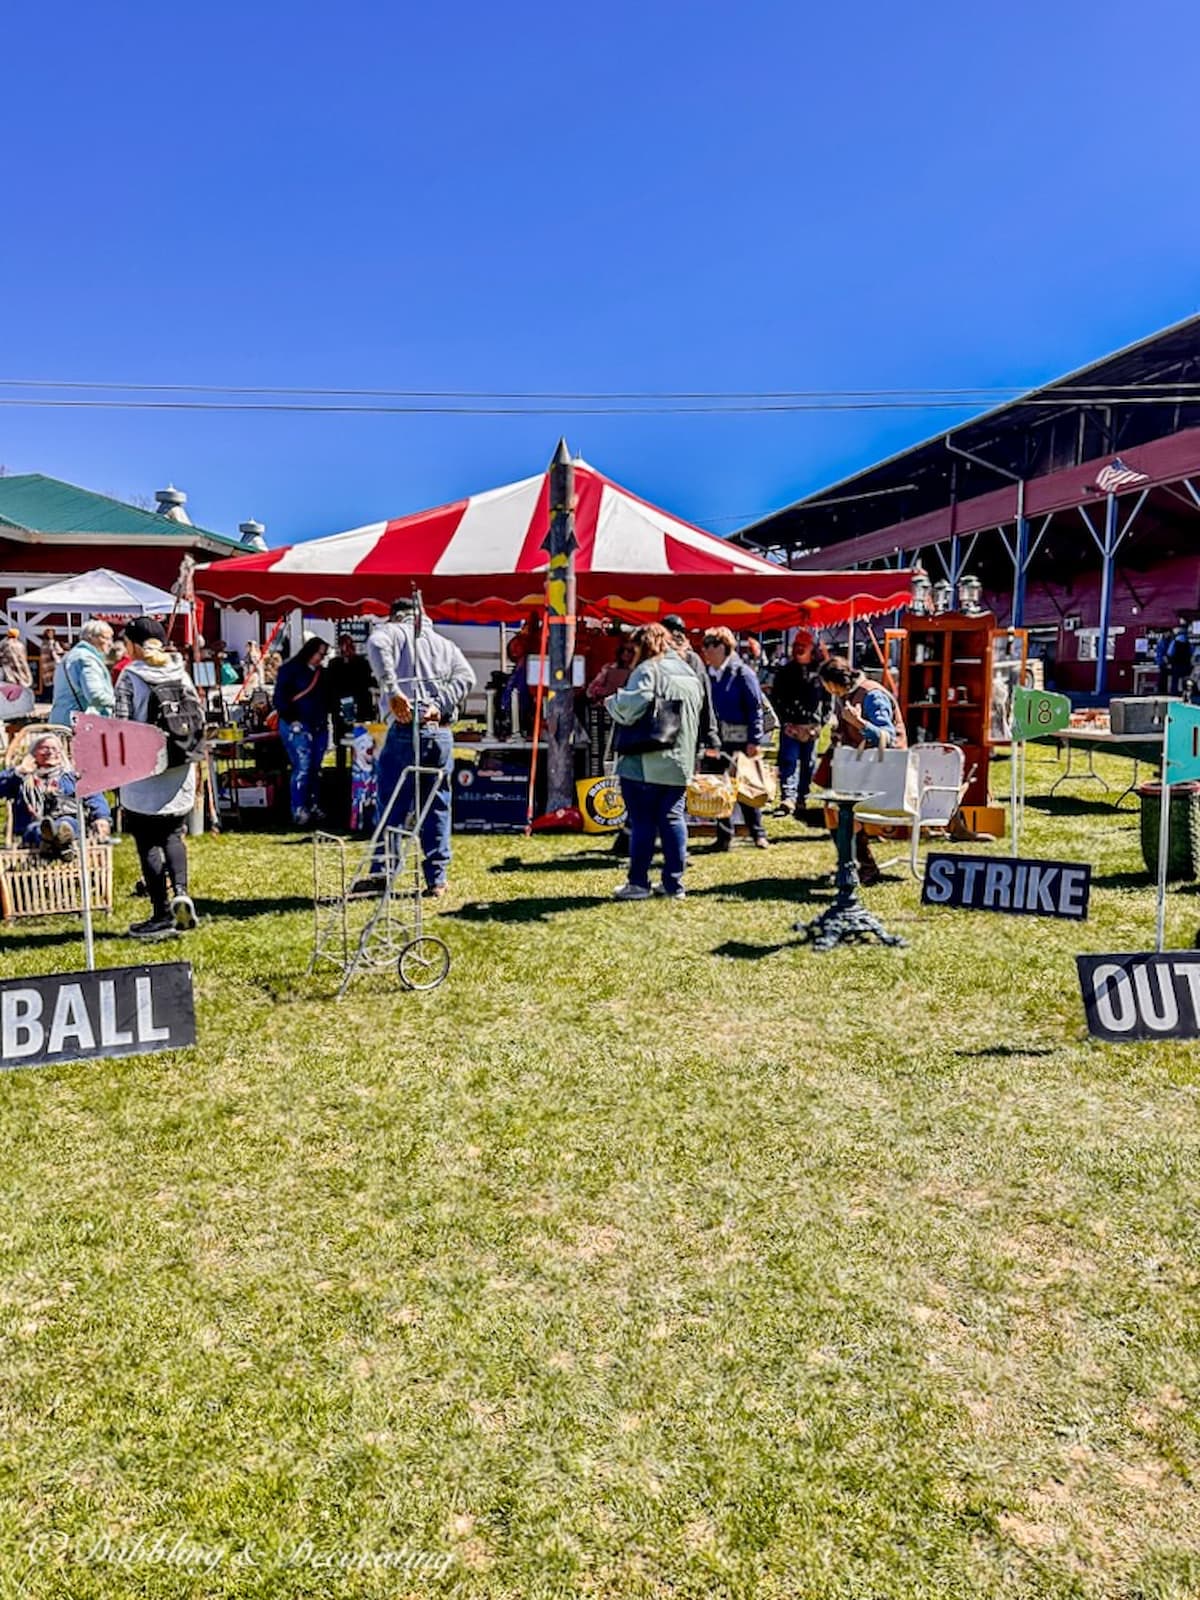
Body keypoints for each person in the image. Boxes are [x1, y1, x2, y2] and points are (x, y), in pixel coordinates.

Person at [366, 597, 475, 899]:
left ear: (394, 616)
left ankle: (383, 872)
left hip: (406, 728)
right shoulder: (444, 644)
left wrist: (392, 690)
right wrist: (439, 704)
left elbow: (375, 643)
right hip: (439, 732)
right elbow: (467, 676)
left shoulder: (392, 632)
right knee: (436, 805)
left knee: (392, 803)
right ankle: (437, 879)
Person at [113, 618, 201, 938]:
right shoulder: (180, 670)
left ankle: (161, 913)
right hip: (180, 768)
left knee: (147, 841)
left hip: (143, 770)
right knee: (173, 835)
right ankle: (181, 891)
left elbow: (119, 725)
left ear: (135, 645)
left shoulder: (130, 675)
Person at [605, 622, 702, 900]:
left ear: (643, 645)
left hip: (645, 760)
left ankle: (638, 883)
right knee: (673, 819)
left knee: (643, 822)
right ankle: (674, 885)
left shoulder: (648, 669)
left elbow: (635, 704)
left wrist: (614, 702)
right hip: (679, 761)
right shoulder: (688, 670)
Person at [817, 656, 906, 887]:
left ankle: (865, 866)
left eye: (828, 686)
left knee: (844, 809)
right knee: (831, 809)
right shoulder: (843, 696)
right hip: (858, 766)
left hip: (885, 768)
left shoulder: (872, 695)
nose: (828, 691)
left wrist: (859, 723)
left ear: (836, 682)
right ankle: (850, 862)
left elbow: (888, 737)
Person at [701, 625, 769, 851]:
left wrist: (754, 740)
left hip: (740, 740)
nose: (707, 651)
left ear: (723, 647)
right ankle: (723, 836)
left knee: (745, 787)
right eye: (705, 646)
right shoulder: (707, 675)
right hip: (715, 739)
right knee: (718, 788)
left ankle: (758, 833)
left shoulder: (742, 673)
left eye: (711, 646)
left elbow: (755, 708)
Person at [0, 732, 111, 857]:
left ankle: (54, 840)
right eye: (44, 748)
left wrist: (102, 817)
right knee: (37, 829)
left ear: (60, 753)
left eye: (54, 748)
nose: (50, 752)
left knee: (68, 823)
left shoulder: (71, 777)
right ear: (33, 753)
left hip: (69, 821)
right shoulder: (21, 779)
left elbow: (94, 796)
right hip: (33, 827)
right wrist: (20, 771)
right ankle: (62, 847)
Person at [769, 631, 830, 817]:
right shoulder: (785, 672)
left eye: (803, 647)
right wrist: (784, 722)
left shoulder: (819, 672)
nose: (798, 650)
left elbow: (828, 699)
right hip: (791, 725)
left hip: (812, 725)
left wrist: (822, 722)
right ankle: (788, 798)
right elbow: (776, 699)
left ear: (811, 648)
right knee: (789, 761)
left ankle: (801, 797)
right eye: (796, 646)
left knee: (808, 764)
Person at [272, 636, 331, 827]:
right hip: (297, 725)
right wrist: (291, 718)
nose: (320, 659)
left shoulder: (322, 673)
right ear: (310, 651)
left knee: (315, 768)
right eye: (319, 654)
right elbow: (280, 698)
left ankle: (312, 805)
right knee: (302, 768)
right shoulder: (290, 669)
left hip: (318, 724)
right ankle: (298, 808)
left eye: (323, 655)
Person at [50, 619, 116, 727]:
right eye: (107, 638)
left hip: (60, 718)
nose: (110, 643)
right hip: (77, 724)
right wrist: (117, 702)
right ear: (93, 638)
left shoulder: (70, 656)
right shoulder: (86, 659)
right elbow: (95, 696)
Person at [1167, 622, 1193, 696]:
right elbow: (1191, 652)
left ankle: (1174, 693)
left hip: (1176, 664)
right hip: (1186, 664)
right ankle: (1186, 693)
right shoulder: (1187, 642)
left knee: (1175, 680)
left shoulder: (1175, 642)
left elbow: (1170, 653)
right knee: (1186, 679)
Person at [38, 627, 65, 696]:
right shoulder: (51, 643)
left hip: (47, 664)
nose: (50, 634)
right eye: (49, 633)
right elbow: (55, 653)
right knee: (52, 680)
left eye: (51, 633)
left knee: (49, 681)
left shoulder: (44, 643)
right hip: (50, 664)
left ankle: (48, 695)